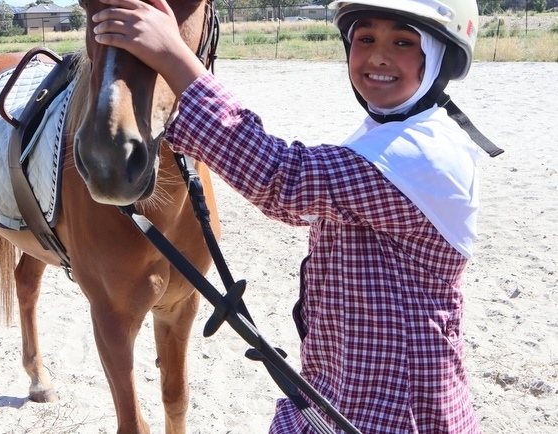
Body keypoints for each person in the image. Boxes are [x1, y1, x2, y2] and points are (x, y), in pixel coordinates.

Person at [92, 0, 490, 432]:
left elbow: (283, 180)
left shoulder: (425, 155)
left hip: (400, 408)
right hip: (338, 386)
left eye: (403, 42)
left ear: (440, 60)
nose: (378, 56)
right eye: (366, 38)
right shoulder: (391, 133)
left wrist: (174, 56)